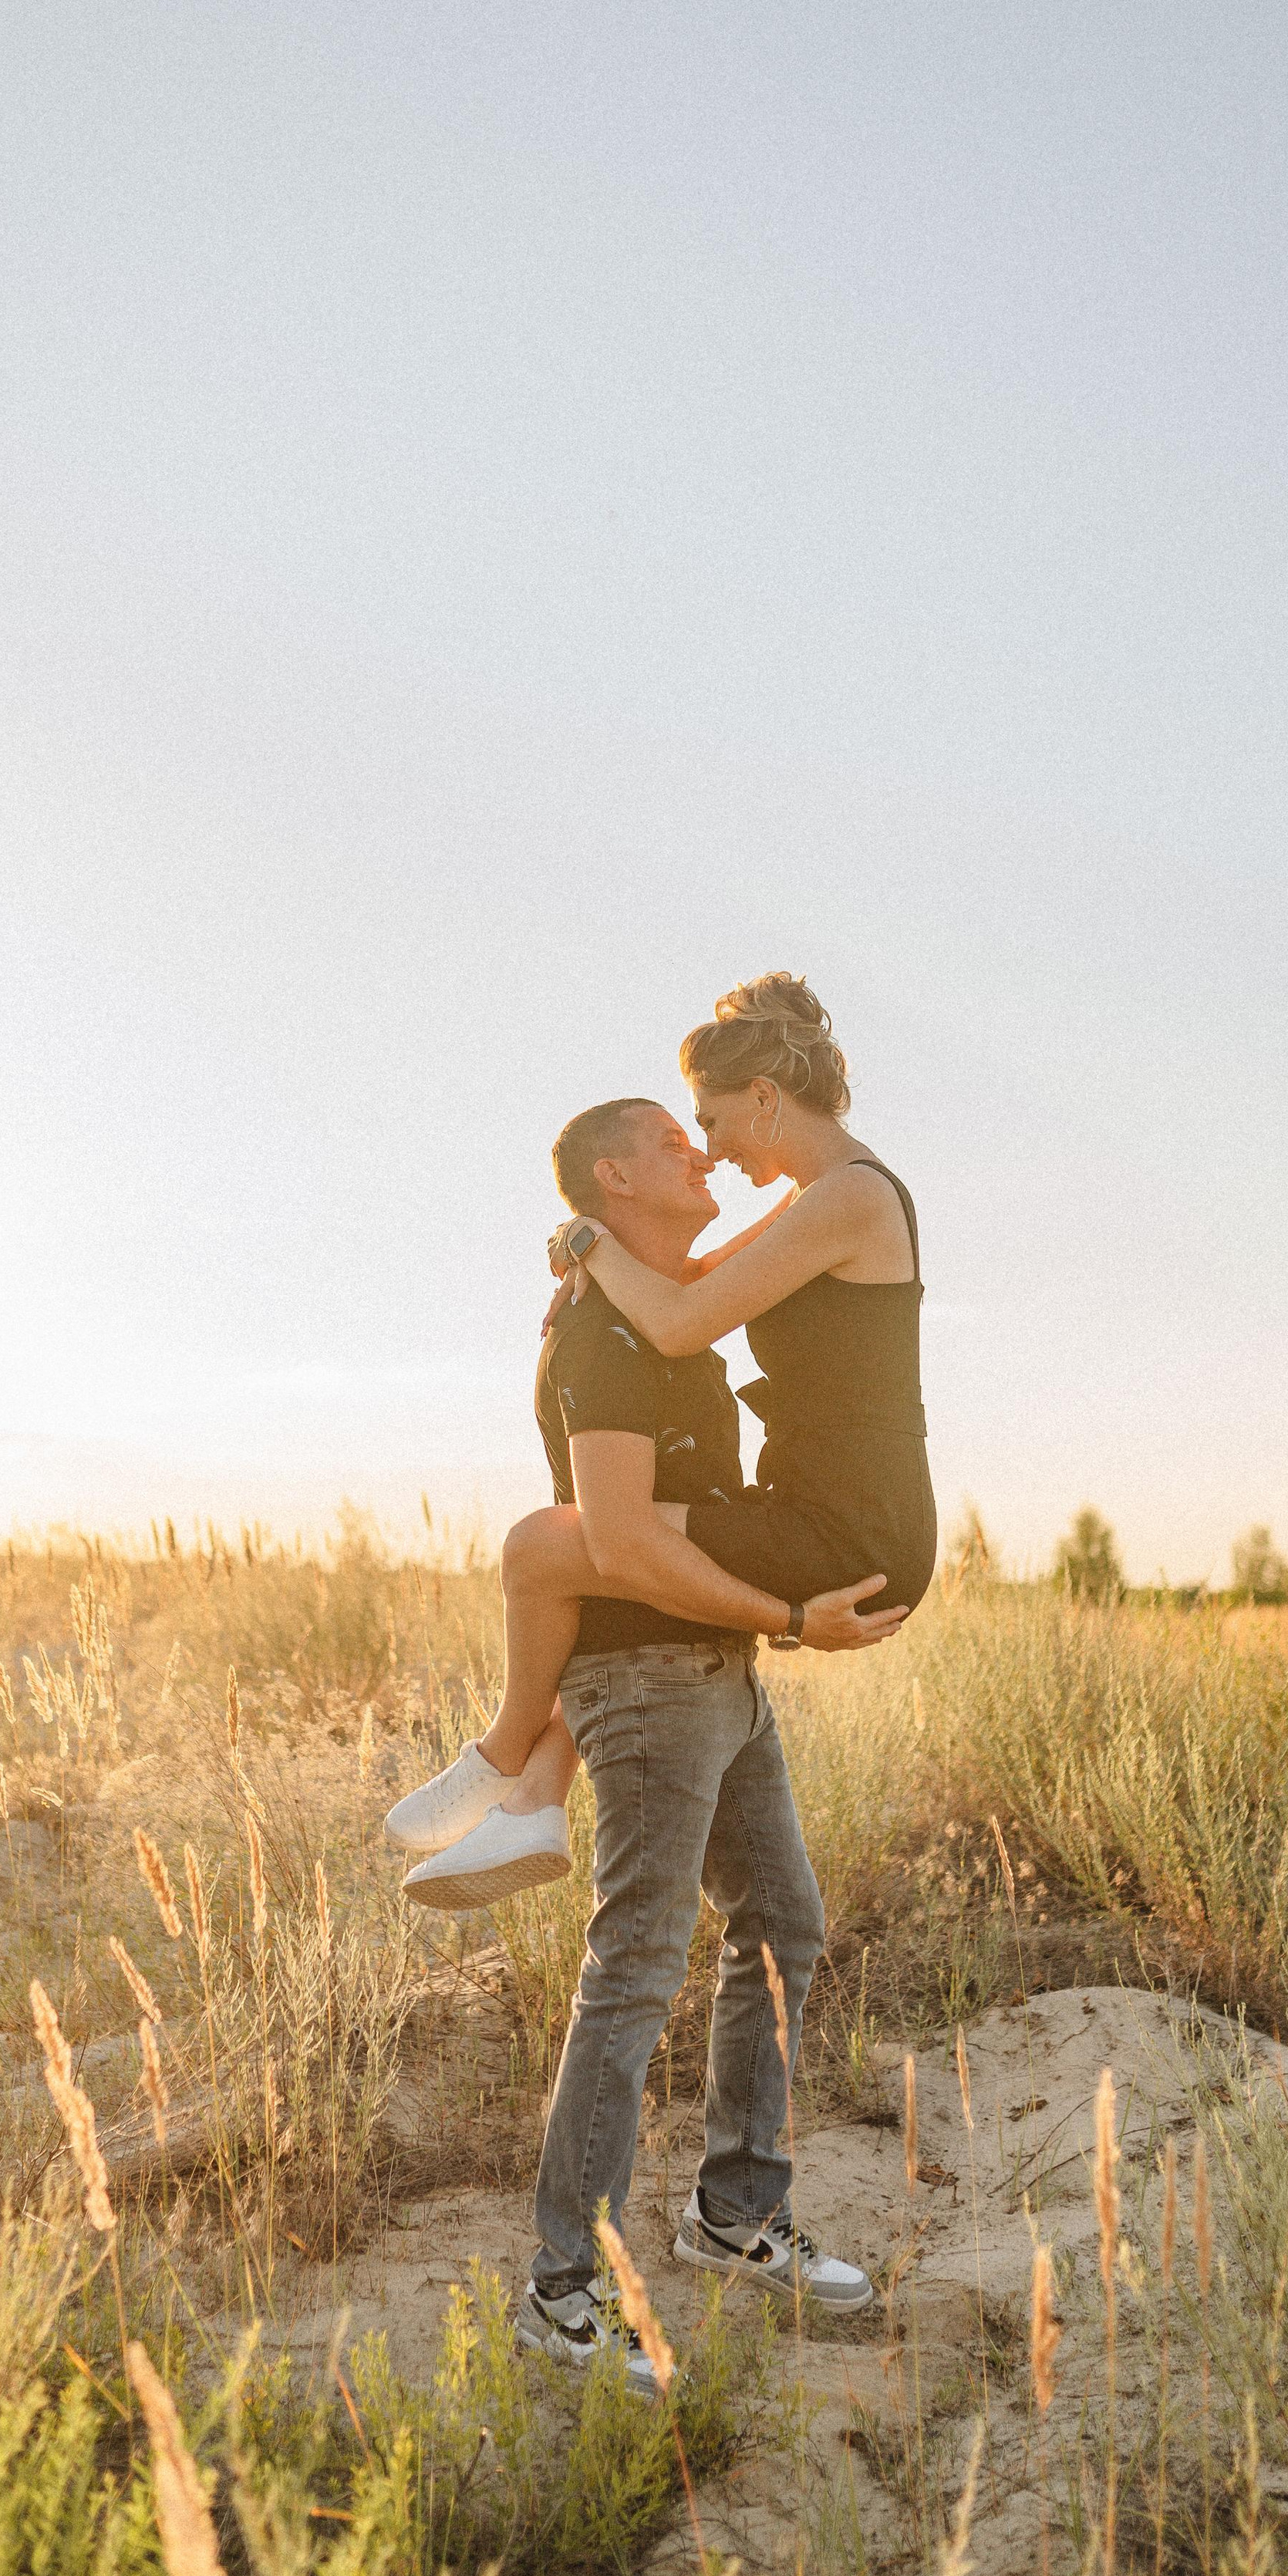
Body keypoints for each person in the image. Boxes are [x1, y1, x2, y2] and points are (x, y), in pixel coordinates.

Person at [394, 1087, 885, 2379]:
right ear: (613, 1178)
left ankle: (734, 2215)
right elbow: (621, 1547)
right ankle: (564, 2284)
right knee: (637, 1969)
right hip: (653, 1682)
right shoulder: (614, 1338)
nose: (698, 1150)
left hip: (709, 1675)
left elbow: (773, 1235)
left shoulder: (659, 1309)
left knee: (782, 1922)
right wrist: (791, 1613)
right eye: (672, 1142)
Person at [389, 973, 935, 1908]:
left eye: (712, 1123)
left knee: (551, 1544)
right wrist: (591, 1258)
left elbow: (679, 1321)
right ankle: (530, 1798)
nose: (711, 1152)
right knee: (609, 1549)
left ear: (764, 1099)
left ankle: (507, 1760)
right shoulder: (826, 1202)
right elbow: (685, 1281)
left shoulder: (851, 1198)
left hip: (851, 1526)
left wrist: (589, 1242)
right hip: (815, 1503)